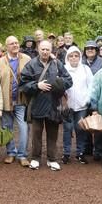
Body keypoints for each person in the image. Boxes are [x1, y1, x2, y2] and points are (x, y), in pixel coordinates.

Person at [20, 40, 72, 171]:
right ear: (38, 49)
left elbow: (68, 80)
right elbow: (23, 84)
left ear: (51, 50)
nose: (45, 52)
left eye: (47, 49)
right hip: (37, 103)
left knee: (53, 133)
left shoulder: (57, 63)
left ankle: (52, 159)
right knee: (36, 133)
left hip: (54, 104)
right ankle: (35, 158)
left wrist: (57, 84)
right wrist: (36, 86)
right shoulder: (31, 64)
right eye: (42, 49)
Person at [0, 36, 31, 167]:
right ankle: (10, 152)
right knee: (7, 128)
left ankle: (22, 155)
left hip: (22, 101)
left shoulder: (27, 59)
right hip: (5, 101)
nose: (15, 45)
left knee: (24, 128)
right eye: (12, 43)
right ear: (6, 46)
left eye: (16, 43)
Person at [62, 46, 94, 164]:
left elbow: (91, 85)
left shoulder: (85, 69)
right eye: (71, 56)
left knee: (80, 128)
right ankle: (66, 153)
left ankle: (80, 152)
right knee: (67, 129)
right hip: (67, 105)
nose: (74, 58)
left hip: (82, 104)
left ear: (80, 57)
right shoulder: (63, 69)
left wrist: (87, 99)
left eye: (76, 56)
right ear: (67, 57)